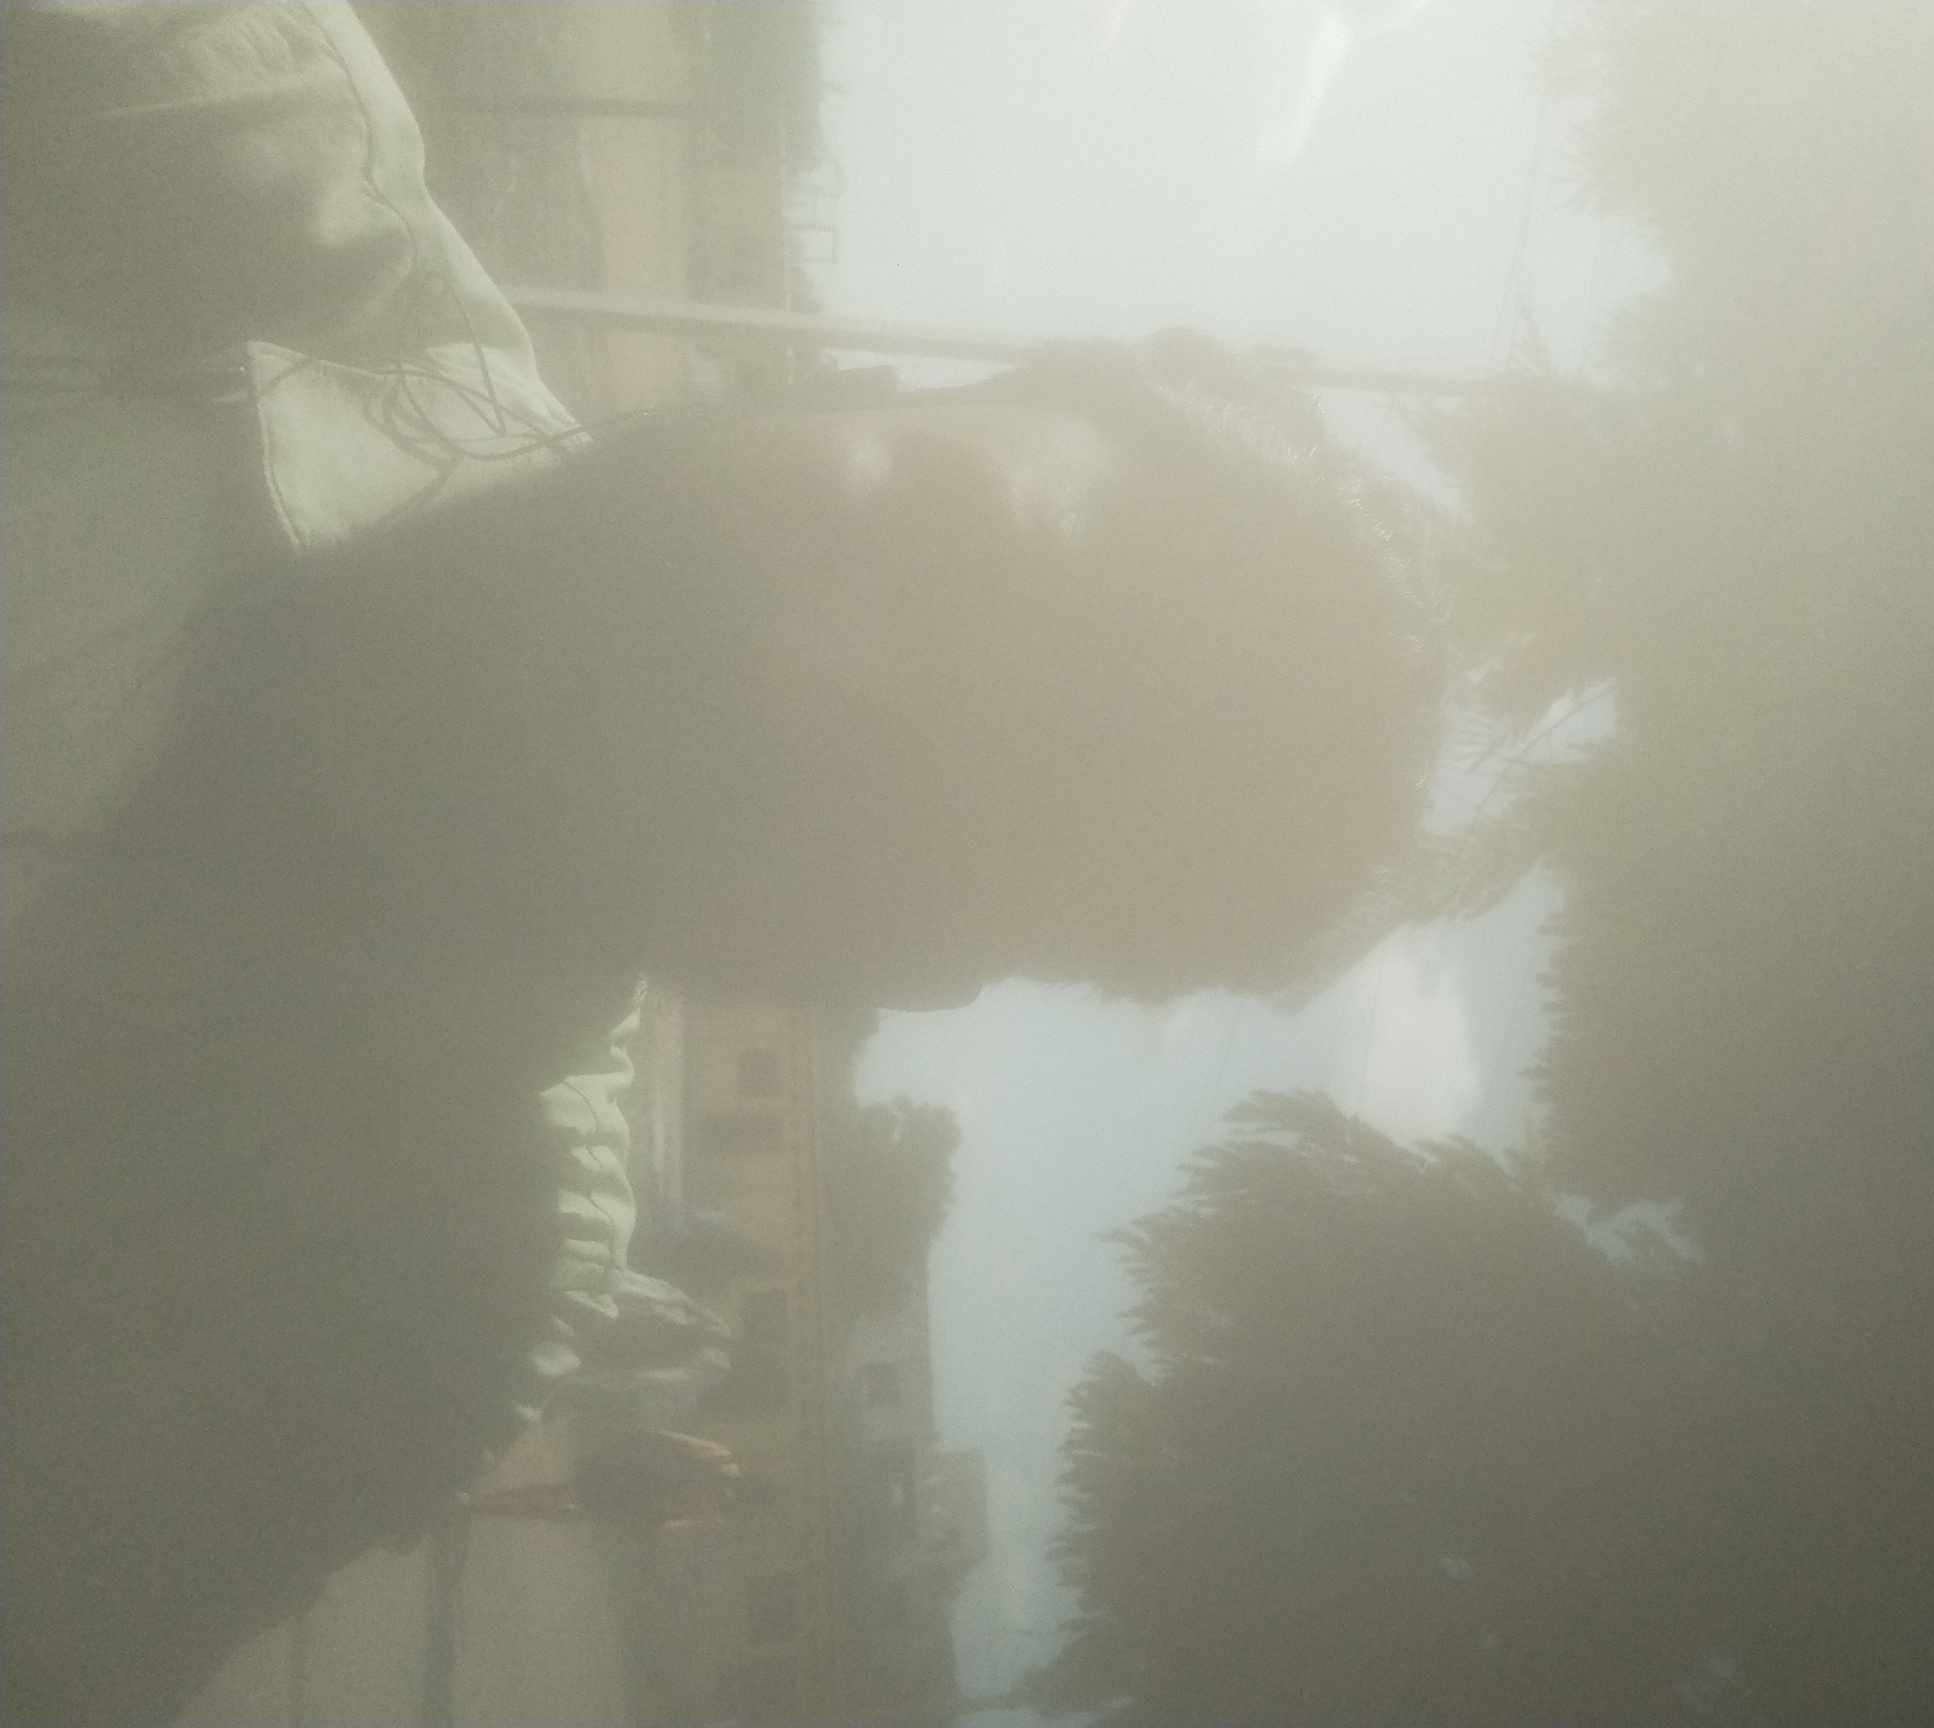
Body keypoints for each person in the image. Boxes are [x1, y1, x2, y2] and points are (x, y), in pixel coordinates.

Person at [0, 5, 1438, 1724]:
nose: (802, 670)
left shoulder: (422, 1281)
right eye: (928, 538)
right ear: (866, 388)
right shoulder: (211, 142)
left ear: (902, 975)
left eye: (942, 807)